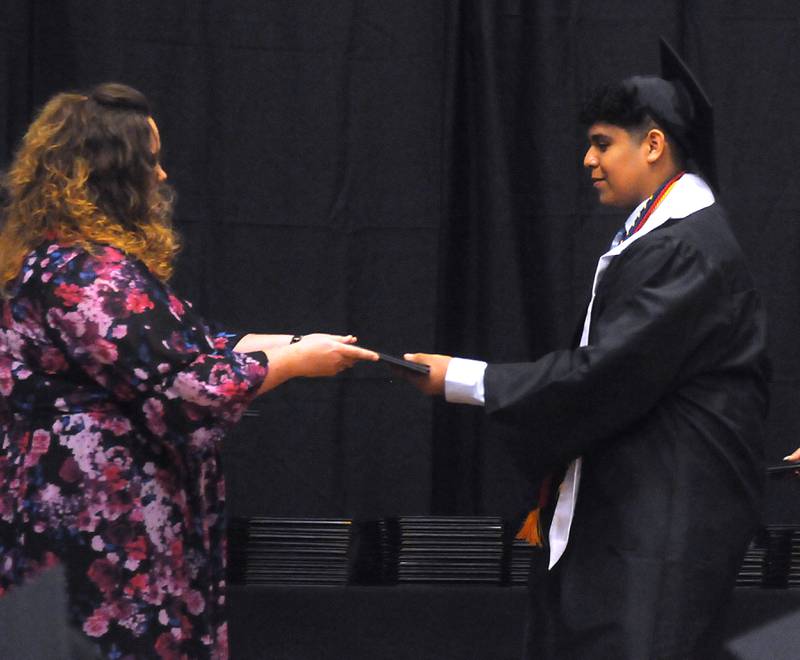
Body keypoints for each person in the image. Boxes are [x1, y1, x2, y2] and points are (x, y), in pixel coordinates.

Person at [402, 41, 769, 659]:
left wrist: (466, 379)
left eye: (603, 143)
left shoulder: (688, 248)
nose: (588, 160)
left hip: (664, 523)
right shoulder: (658, 236)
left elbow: (608, 374)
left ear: (652, 145)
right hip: (636, 513)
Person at [0, 82, 378, 658]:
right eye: (150, 160)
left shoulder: (73, 261)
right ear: (113, 171)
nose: (162, 176)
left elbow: (190, 346)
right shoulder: (89, 273)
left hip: (89, 514)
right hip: (93, 527)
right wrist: (296, 362)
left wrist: (294, 342)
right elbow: (185, 390)